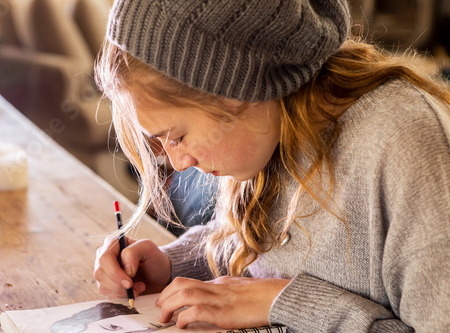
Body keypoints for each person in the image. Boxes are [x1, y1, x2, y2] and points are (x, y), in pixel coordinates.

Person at [93, 0, 450, 331]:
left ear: (236, 91)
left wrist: (287, 302)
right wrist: (173, 266)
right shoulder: (266, 131)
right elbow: (263, 254)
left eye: (176, 136)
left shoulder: (408, 145)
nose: (179, 163)